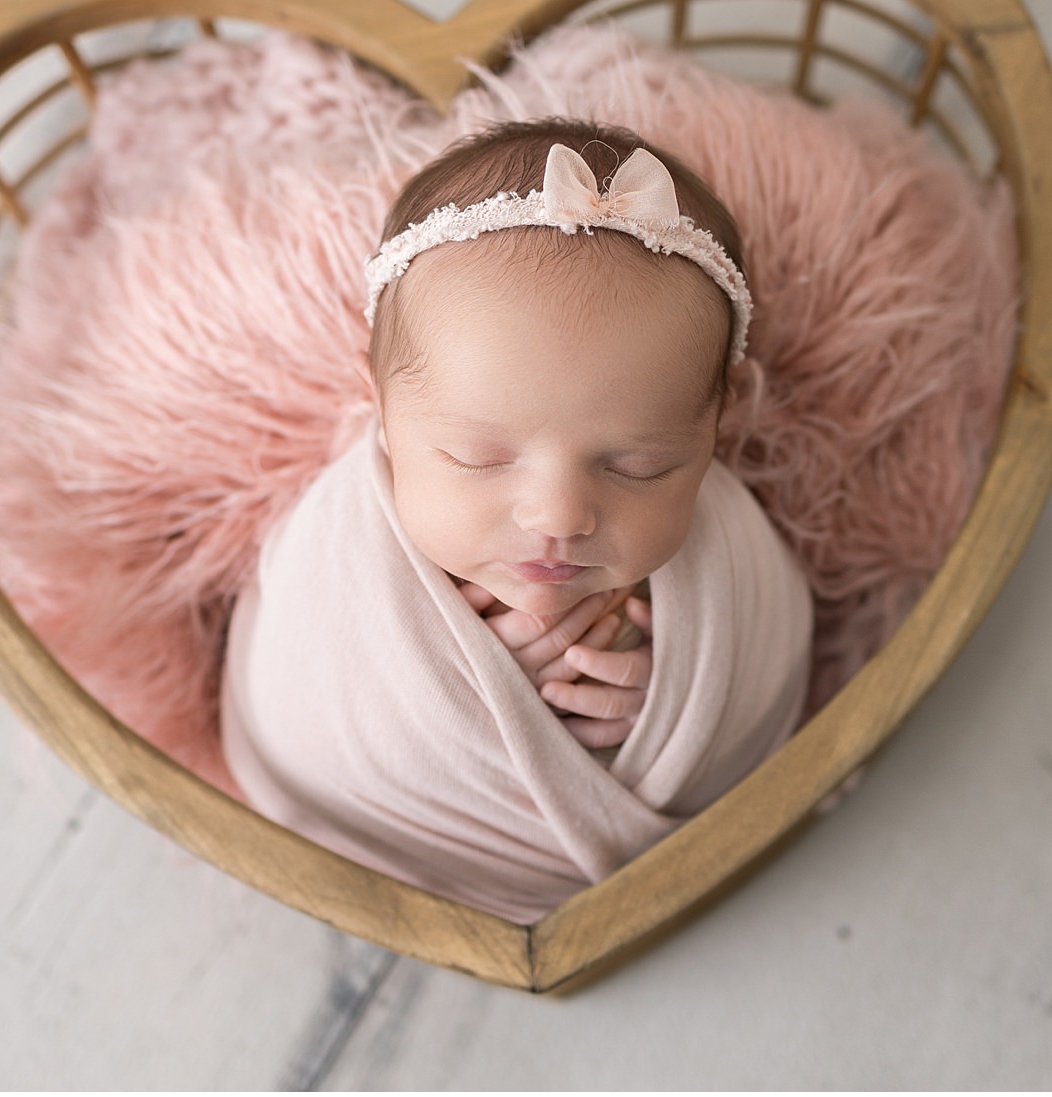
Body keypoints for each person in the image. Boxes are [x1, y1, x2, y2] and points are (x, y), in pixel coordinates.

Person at [220, 118, 814, 922]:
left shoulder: (723, 553)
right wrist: (462, 690)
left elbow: (759, 653)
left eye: (639, 466)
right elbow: (311, 687)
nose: (559, 516)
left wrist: (660, 701)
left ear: (717, 428)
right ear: (386, 411)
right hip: (391, 860)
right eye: (476, 457)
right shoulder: (341, 547)